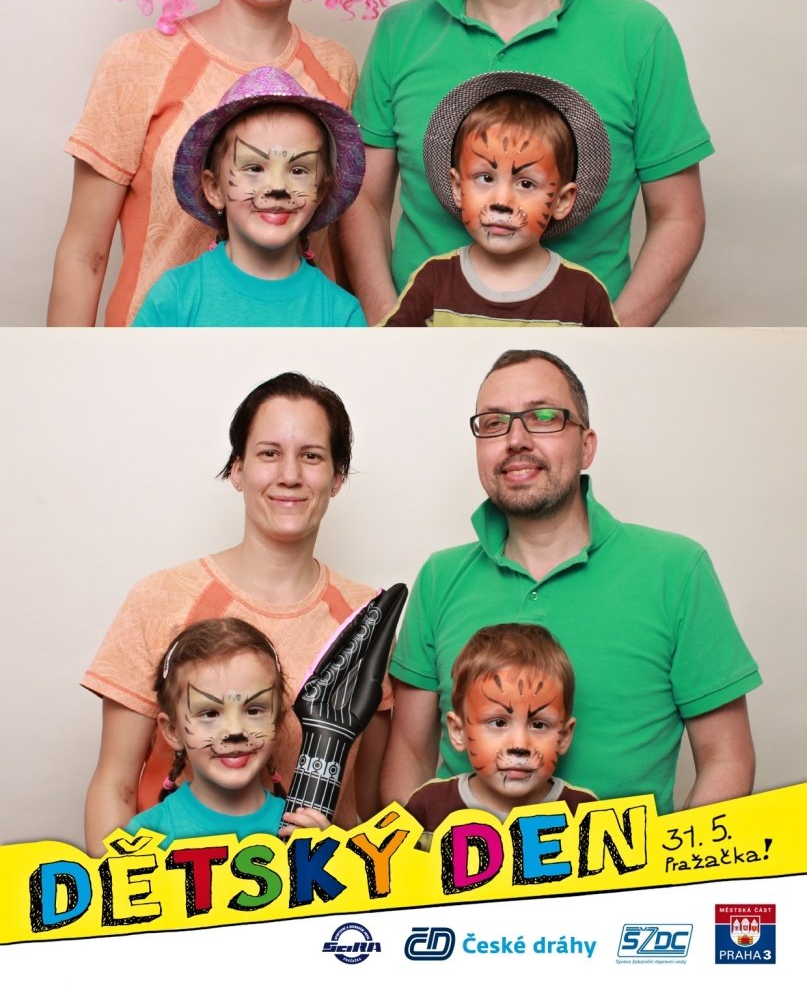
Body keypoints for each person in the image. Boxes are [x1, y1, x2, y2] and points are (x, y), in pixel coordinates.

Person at [342, 0, 713, 325]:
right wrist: (387, 324)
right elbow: (365, 201)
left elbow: (678, 215)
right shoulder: (400, 32)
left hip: (583, 356)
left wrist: (612, 344)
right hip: (420, 348)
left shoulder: (638, 33)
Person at [48, 0, 426, 326]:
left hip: (299, 357)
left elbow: (341, 242)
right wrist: (68, 368)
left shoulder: (336, 68)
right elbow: (85, 253)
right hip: (152, 353)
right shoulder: (138, 61)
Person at [382, 349, 760, 815]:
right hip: (460, 860)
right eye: (494, 422)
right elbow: (409, 753)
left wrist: (671, 860)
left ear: (586, 445)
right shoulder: (439, 577)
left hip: (627, 862)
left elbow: (727, 758)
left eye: (543, 417)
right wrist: (419, 851)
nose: (515, 439)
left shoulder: (678, 570)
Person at [83, 372, 391, 856]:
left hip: (310, 886)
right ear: (238, 469)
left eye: (311, 456)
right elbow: (114, 786)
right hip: (170, 884)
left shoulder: (368, 620)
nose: (289, 474)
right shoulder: (161, 598)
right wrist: (125, 897)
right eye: (269, 453)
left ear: (337, 478)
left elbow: (364, 807)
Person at [133, 67, 366, 326]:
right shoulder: (175, 297)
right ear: (214, 189)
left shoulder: (341, 314)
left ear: (320, 192)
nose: (278, 187)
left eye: (298, 170)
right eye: (254, 168)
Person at [381, 71, 617, 326]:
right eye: (485, 178)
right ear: (458, 188)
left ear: (562, 201)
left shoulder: (585, 295)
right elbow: (384, 350)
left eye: (526, 184)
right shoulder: (433, 282)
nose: (501, 202)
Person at [127, 619, 330, 845]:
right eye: (210, 714)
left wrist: (327, 853)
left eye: (254, 710)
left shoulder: (304, 830)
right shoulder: (146, 837)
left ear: (277, 720)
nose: (235, 731)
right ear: (173, 731)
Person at [407, 623, 596, 845]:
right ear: (458, 731)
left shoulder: (585, 815)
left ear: (564, 736)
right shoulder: (428, 807)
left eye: (538, 725)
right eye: (498, 722)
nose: (519, 745)